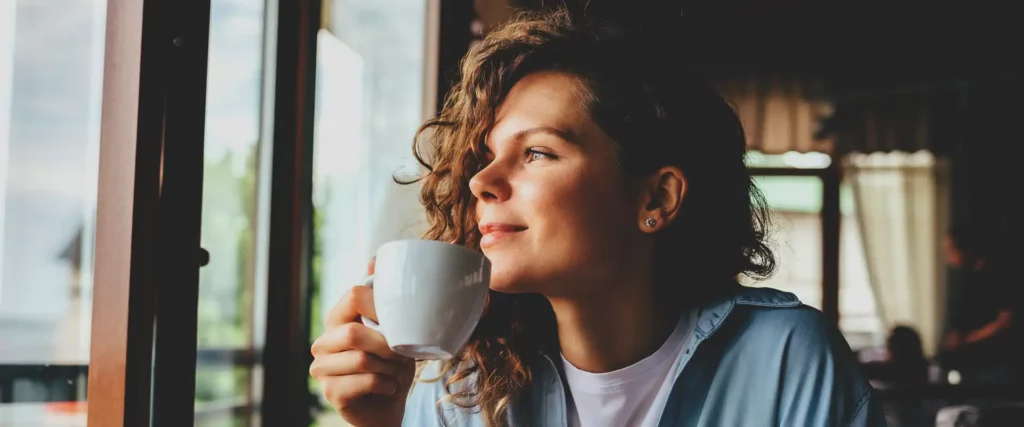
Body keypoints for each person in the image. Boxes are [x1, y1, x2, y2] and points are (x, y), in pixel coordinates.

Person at [310, 8, 884, 427]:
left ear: (655, 199)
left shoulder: (787, 358)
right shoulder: (463, 388)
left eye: (536, 152)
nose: (481, 181)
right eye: (488, 157)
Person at [940, 223, 1019, 383]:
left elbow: (1007, 321)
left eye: (952, 250)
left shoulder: (999, 273)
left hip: (996, 367)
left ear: (968, 248)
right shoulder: (969, 276)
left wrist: (966, 339)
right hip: (977, 365)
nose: (950, 258)